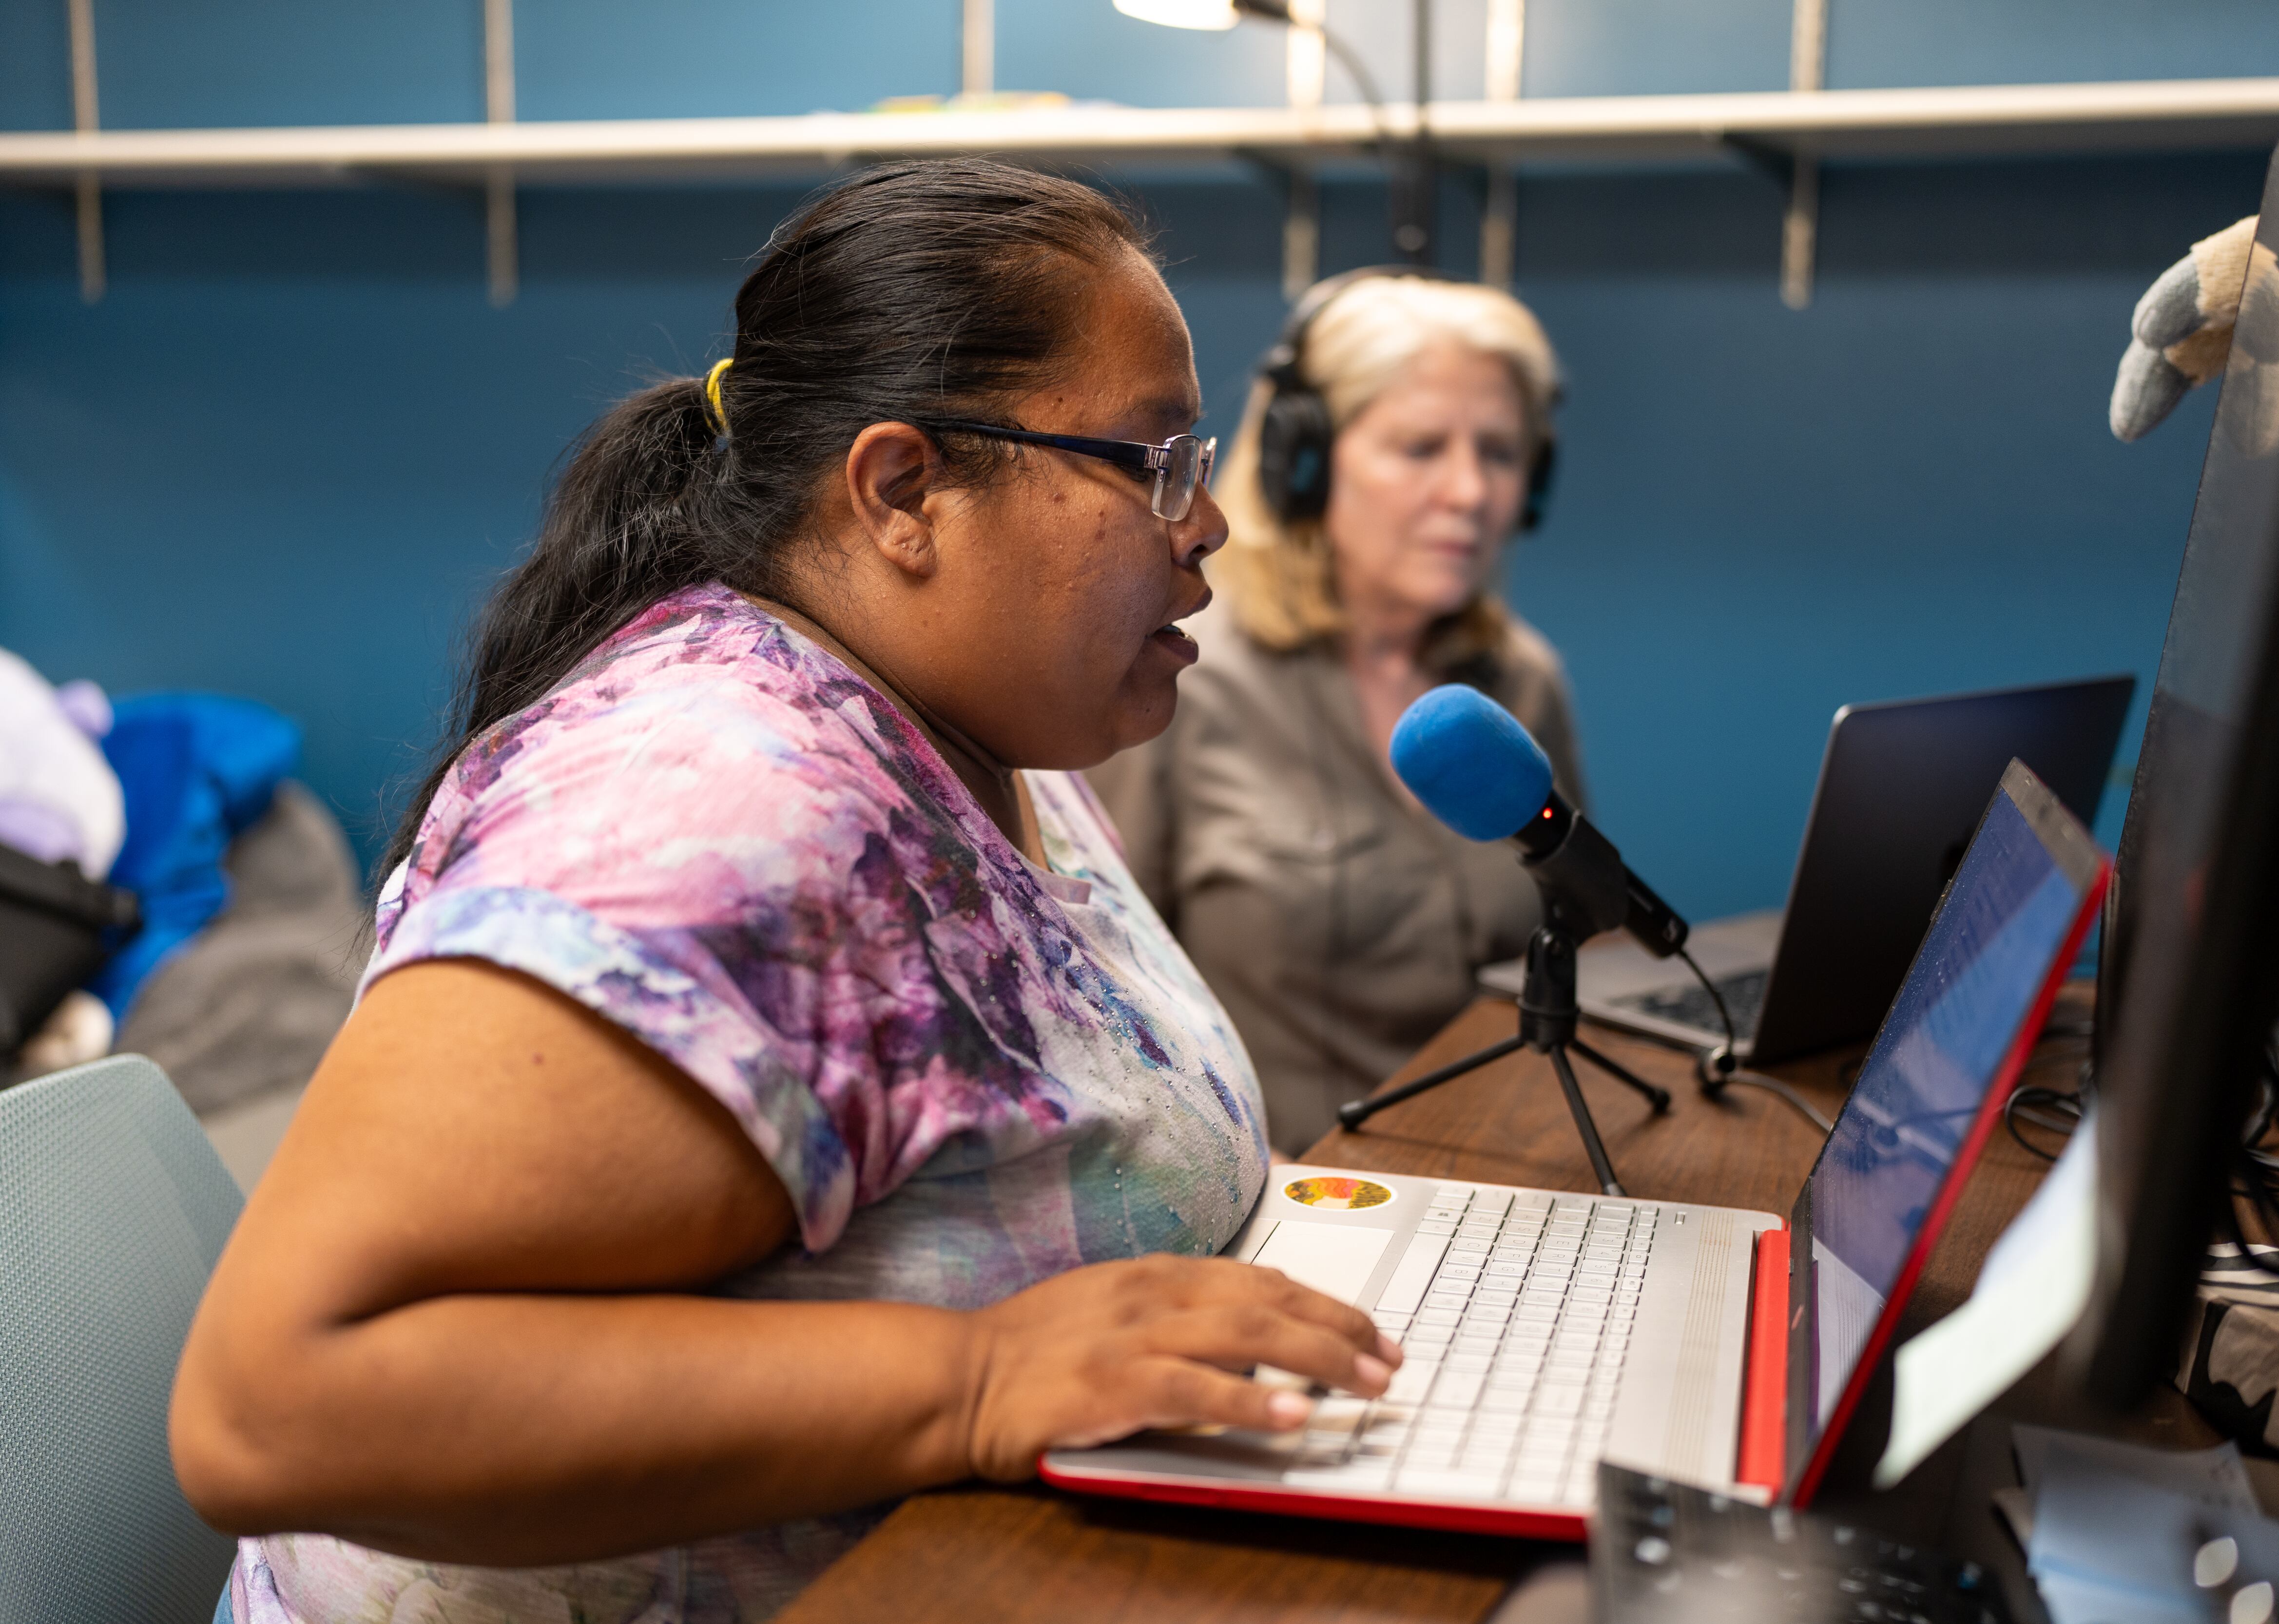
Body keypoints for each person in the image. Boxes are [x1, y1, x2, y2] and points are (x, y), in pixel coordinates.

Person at [168, 159, 1398, 1624]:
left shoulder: (978, 726)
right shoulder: (706, 799)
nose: (1205, 528)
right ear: (903, 491)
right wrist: (981, 1378)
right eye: (1153, 464)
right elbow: (272, 1408)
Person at [1088, 272, 1584, 1154]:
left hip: (1511, 1171)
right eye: (1422, 447)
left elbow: (1576, 931)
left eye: (1501, 453)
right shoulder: (1175, 678)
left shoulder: (1522, 677)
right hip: (1286, 1201)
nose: (1471, 491)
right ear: (1304, 464)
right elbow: (1101, 1005)